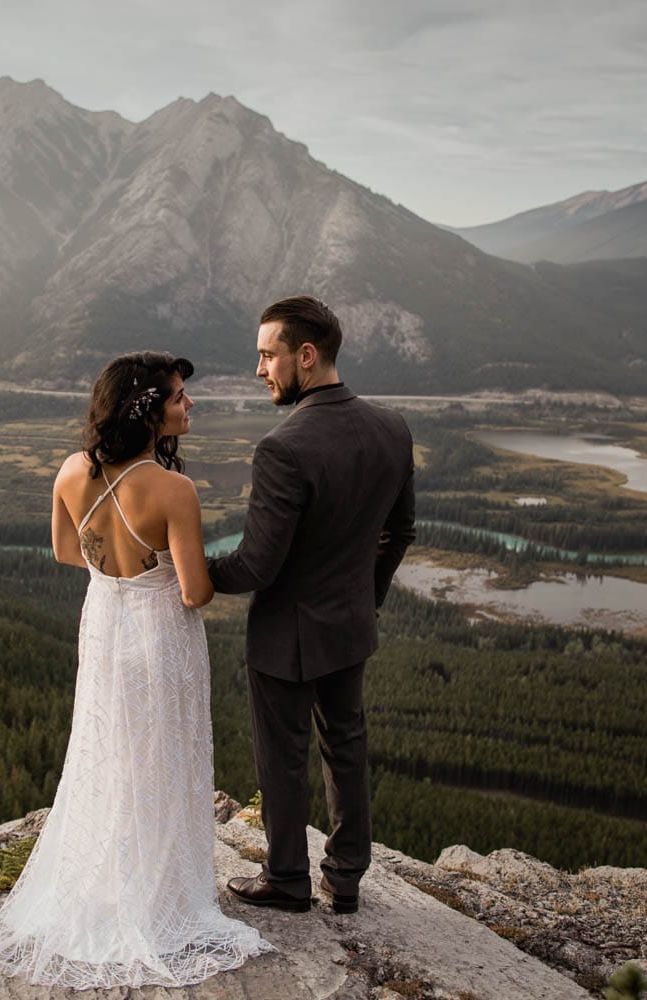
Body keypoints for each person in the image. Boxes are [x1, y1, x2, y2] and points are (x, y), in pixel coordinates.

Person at [0, 351, 271, 989]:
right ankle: (160, 898)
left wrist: (117, 577)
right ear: (150, 412)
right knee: (163, 756)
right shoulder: (172, 489)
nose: (190, 406)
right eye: (181, 397)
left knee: (110, 750)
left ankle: (111, 881)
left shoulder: (73, 470)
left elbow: (64, 550)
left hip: (103, 625)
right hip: (160, 635)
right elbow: (193, 593)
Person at [208, 296, 416, 916]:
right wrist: (366, 601)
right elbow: (399, 533)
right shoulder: (392, 428)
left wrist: (180, 566)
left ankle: (288, 879)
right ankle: (347, 878)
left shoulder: (283, 446)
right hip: (350, 625)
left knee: (283, 756)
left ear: (306, 354)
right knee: (346, 744)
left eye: (268, 355)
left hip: (285, 635)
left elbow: (254, 566)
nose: (259, 369)